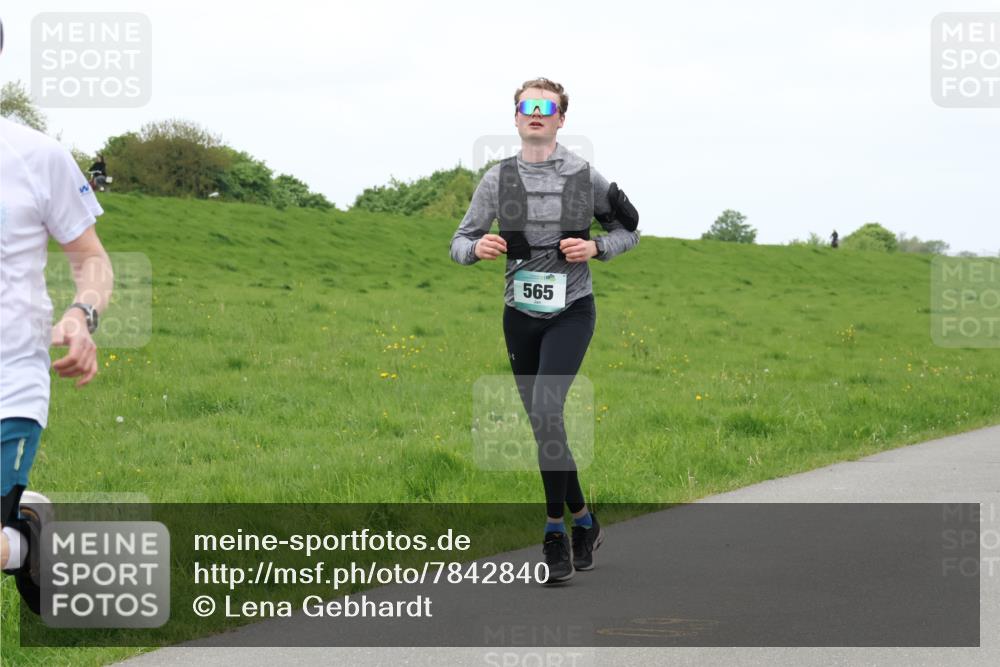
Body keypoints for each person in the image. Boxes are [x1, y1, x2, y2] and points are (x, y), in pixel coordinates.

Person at [450, 78, 639, 584]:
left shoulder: (583, 176)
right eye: (526, 106)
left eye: (546, 106)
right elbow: (460, 240)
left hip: (572, 309)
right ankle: (585, 519)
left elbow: (629, 229)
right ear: (515, 118)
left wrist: (598, 249)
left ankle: (555, 530)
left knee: (546, 409)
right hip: (519, 315)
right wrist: (477, 249)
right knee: (543, 425)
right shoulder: (497, 179)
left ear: (560, 118)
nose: (535, 113)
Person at [0, 60, 114, 611]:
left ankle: (26, 539)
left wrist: (80, 316)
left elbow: (92, 259)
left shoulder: (36, 156)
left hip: (10, 380)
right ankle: (20, 540)